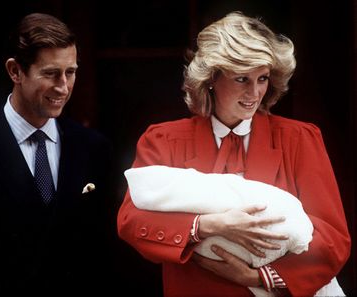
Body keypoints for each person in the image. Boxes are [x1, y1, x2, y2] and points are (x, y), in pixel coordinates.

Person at [117, 11, 351, 297]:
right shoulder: (164, 139)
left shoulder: (300, 138)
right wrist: (206, 226)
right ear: (211, 77)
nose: (254, 93)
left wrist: (258, 276)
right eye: (242, 78)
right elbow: (131, 221)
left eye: (262, 78)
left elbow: (333, 237)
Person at [0, 13, 116, 296]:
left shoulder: (94, 149)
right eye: (50, 73)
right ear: (15, 71)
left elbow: (104, 254)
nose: (64, 87)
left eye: (71, 72)